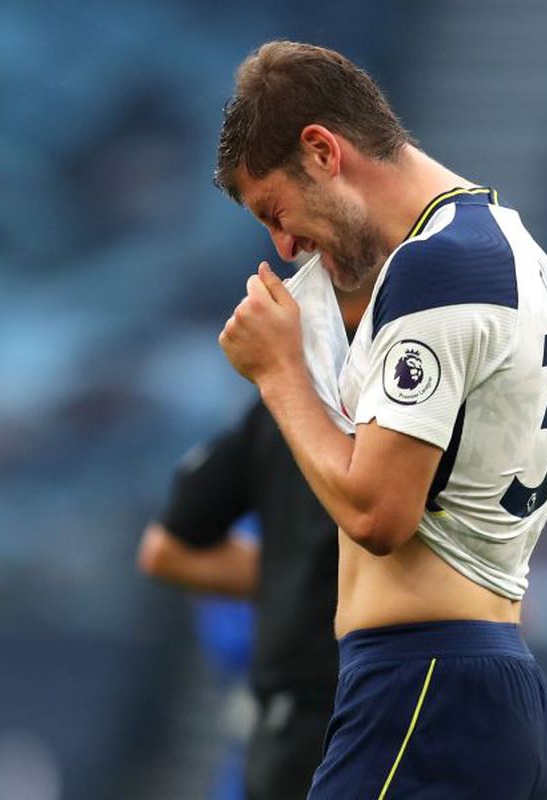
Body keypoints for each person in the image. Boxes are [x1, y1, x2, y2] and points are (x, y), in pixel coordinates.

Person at [214, 41, 547, 798]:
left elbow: (379, 512)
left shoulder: (437, 265)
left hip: (425, 687)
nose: (282, 246)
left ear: (321, 151)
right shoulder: (507, 246)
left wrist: (278, 371)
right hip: (484, 683)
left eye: (274, 212)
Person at [138, 282, 373, 800]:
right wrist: (306, 573)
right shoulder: (272, 424)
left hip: (328, 716)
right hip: (310, 712)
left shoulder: (296, 418)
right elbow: (167, 552)